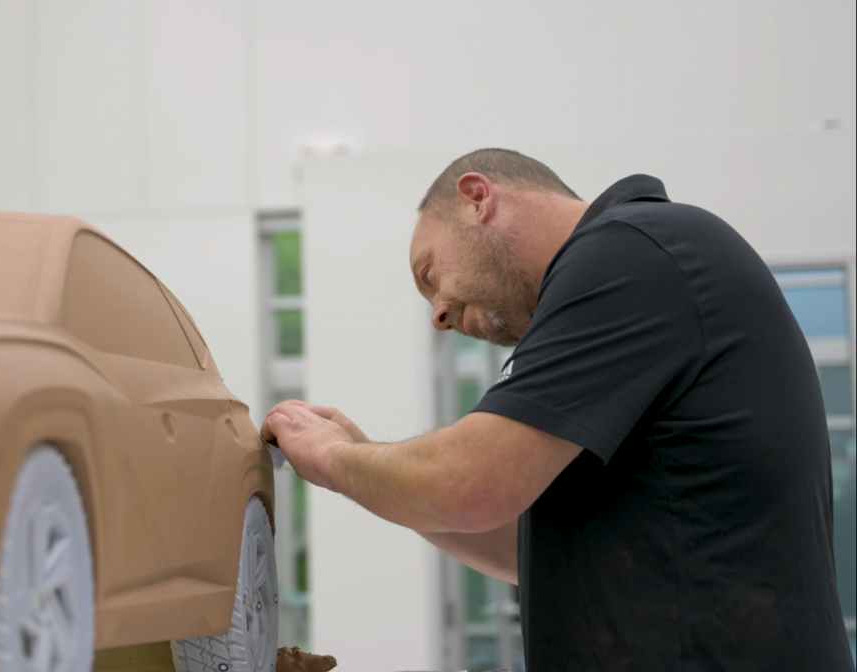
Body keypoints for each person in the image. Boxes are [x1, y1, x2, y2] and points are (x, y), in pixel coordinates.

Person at [260, 149, 853, 671]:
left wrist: (335, 457)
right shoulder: (644, 268)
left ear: (476, 198)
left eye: (430, 274)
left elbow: (469, 485)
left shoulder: (631, 251)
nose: (437, 314)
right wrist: (371, 468)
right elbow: (512, 540)